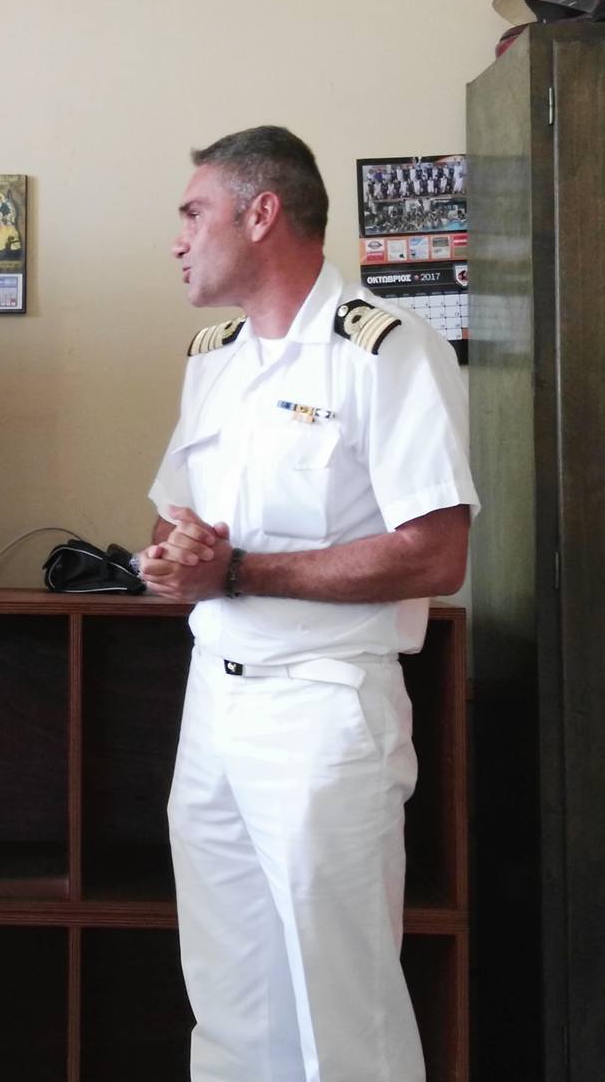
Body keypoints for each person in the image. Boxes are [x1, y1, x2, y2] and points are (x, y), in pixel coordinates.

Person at [137, 125, 477, 1082]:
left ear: (261, 214)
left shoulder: (384, 350)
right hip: (215, 700)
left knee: (341, 1004)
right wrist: (177, 557)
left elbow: (436, 552)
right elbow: (178, 516)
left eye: (193, 213)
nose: (178, 238)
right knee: (229, 995)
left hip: (322, 706)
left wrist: (239, 572)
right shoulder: (213, 357)